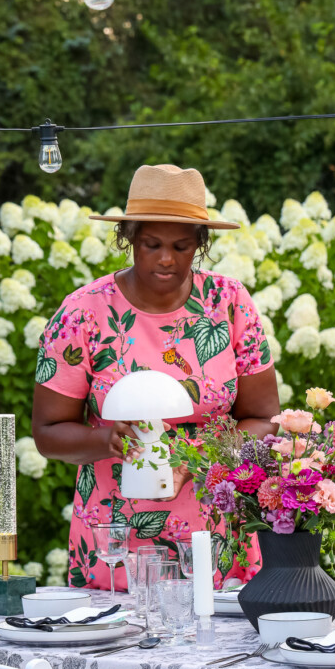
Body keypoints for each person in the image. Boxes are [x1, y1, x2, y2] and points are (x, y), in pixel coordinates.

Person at [32, 163, 279, 589]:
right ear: (128, 238)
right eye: (152, 244)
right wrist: (103, 439)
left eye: (182, 246)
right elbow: (47, 432)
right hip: (115, 532)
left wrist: (200, 458)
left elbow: (264, 420)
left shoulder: (229, 303)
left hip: (214, 528)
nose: (167, 259)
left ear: (201, 245)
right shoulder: (82, 313)